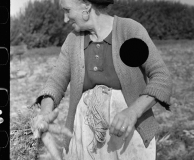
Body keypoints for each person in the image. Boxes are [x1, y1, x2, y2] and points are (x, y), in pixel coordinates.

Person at [31, 0, 173, 159]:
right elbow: (55, 82)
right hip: (85, 135)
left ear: (86, 6)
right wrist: (45, 112)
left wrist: (133, 111)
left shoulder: (128, 30)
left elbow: (161, 77)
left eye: (67, 10)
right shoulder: (73, 40)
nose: (65, 19)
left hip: (130, 132)